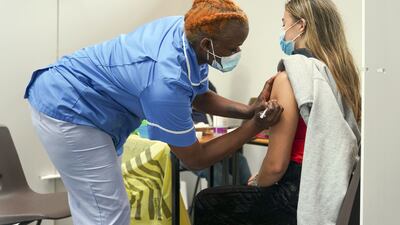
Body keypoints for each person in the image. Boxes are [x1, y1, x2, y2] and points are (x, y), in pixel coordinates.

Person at [24, 0, 283, 224]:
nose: (237, 52)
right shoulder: (165, 81)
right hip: (69, 108)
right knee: (107, 214)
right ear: (207, 44)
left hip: (89, 109)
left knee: (99, 207)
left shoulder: (188, 33)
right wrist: (253, 128)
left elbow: (199, 95)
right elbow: (194, 159)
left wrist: (248, 111)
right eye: (233, 47)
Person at [193, 0, 361, 224]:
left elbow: (275, 166)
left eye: (285, 24)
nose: (282, 32)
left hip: (294, 194)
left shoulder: (290, 77)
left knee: (207, 202)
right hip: (327, 189)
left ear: (301, 26)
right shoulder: (341, 76)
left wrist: (256, 181)